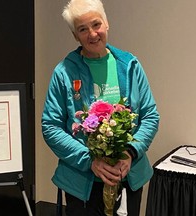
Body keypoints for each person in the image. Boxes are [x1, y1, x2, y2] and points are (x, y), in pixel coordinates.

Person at [41, 0, 160, 215]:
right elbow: (51, 127)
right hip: (82, 184)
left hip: (129, 177)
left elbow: (150, 116)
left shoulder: (130, 65)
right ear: (75, 36)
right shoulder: (64, 72)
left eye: (96, 24)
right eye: (82, 29)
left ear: (107, 24)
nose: (92, 34)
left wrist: (130, 153)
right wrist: (90, 160)